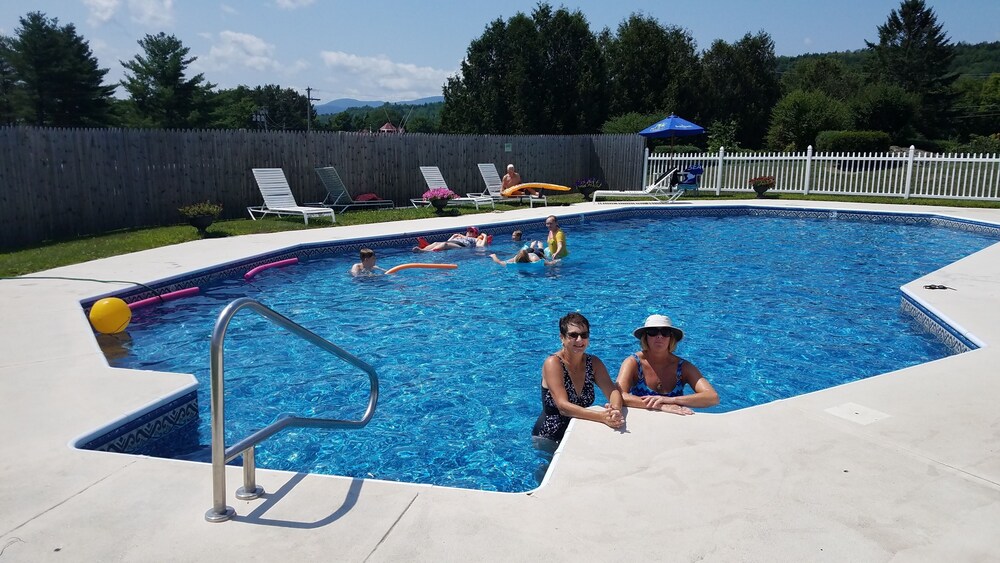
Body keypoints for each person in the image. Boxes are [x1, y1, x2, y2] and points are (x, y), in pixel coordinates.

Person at [532, 312, 624, 445]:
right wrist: (602, 417)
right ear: (562, 338)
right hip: (548, 438)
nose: (580, 340)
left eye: (584, 335)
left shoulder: (593, 363)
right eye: (573, 335)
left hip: (578, 431)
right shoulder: (553, 363)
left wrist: (615, 411)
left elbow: (612, 391)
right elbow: (563, 407)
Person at [616, 314, 718, 415]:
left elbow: (712, 397)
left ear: (671, 338)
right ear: (645, 337)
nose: (659, 336)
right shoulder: (633, 363)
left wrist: (671, 400)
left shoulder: (683, 367)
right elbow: (617, 394)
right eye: (653, 332)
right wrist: (661, 405)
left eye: (665, 332)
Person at [413, 226, 489, 252]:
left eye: (472, 231)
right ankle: (423, 250)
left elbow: (481, 246)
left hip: (461, 246)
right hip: (451, 243)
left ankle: (426, 252)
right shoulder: (459, 236)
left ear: (476, 234)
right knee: (436, 242)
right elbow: (448, 241)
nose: (469, 232)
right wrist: (453, 236)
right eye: (468, 231)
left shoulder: (475, 240)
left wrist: (485, 236)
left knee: (445, 244)